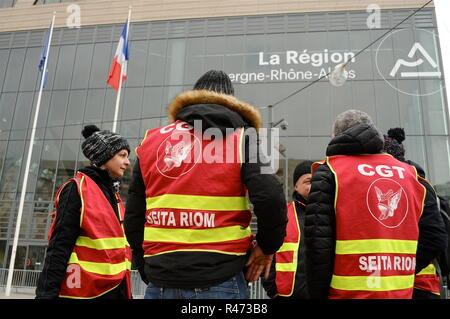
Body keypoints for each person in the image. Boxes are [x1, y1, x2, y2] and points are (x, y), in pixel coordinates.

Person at [124, 69, 287, 299]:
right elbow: (270, 196)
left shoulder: (152, 140)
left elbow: (134, 213)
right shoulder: (242, 137)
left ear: (192, 98)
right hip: (221, 277)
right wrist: (267, 248)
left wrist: (144, 264)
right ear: (231, 102)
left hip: (160, 280)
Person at [304, 109, 448, 299]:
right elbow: (434, 236)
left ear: (335, 136)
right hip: (400, 292)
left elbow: (318, 246)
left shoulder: (331, 171)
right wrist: (399, 271)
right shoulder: (411, 175)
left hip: (347, 294)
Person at [35, 125, 132, 299]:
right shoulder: (76, 189)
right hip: (84, 291)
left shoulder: (114, 195)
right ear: (105, 157)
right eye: (122, 155)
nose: (127, 162)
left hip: (116, 289)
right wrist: (45, 295)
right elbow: (59, 246)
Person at [384, 127, 446, 299]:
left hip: (418, 284)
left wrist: (401, 269)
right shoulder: (417, 183)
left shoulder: (417, 185)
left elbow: (435, 237)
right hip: (404, 283)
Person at [262, 160, 312, 299]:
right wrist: (273, 291)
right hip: (287, 295)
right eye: (308, 181)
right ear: (296, 186)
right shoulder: (283, 215)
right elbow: (267, 254)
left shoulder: (331, 215)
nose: (313, 186)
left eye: (317, 181)